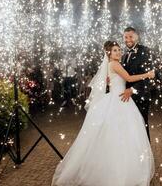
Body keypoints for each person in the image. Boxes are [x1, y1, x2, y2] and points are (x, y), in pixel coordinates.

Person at [51, 41, 155, 186]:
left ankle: (110, 165)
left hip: (115, 98)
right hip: (119, 101)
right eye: (115, 50)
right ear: (109, 53)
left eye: (119, 49)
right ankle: (119, 169)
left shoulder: (110, 65)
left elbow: (109, 81)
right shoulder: (115, 64)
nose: (118, 52)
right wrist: (148, 74)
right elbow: (129, 79)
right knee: (122, 134)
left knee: (113, 134)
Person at [121, 27, 153, 141]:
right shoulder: (124, 55)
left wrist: (133, 90)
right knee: (130, 126)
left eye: (131, 37)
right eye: (126, 37)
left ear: (137, 37)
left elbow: (148, 76)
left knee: (141, 125)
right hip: (127, 98)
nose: (128, 39)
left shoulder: (145, 51)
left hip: (141, 96)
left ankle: (145, 156)